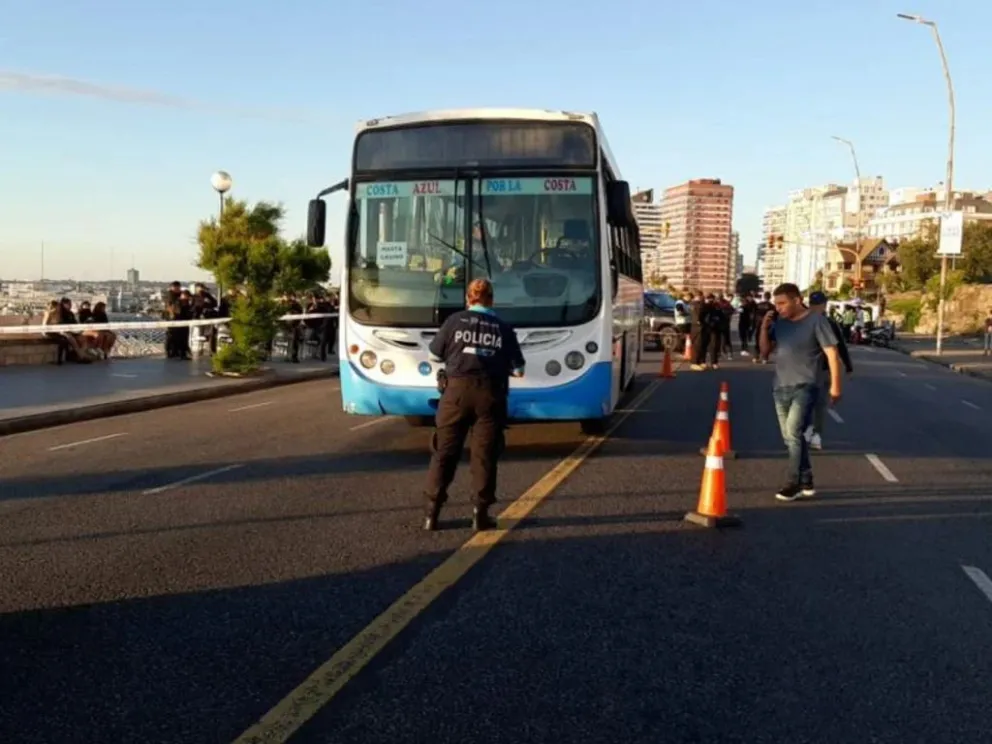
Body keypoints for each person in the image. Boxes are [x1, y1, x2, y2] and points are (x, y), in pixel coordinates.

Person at [423, 278, 525, 532]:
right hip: (489, 396)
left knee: (444, 452)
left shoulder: (454, 322)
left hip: (455, 394)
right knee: (484, 456)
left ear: (468, 299)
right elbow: (519, 370)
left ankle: (431, 514)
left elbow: (434, 355)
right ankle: (480, 515)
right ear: (491, 300)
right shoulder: (503, 328)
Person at [759, 283, 843, 502]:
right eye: (776, 304)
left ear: (797, 300)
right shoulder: (780, 324)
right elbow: (764, 352)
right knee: (789, 437)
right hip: (780, 386)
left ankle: (792, 482)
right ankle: (807, 478)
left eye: (782, 303)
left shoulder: (817, 321)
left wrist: (835, 386)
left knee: (794, 432)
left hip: (806, 385)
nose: (778, 308)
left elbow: (832, 353)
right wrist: (764, 327)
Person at [806, 292, 853, 450]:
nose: (816, 307)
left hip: (821, 370)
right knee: (809, 403)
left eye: (817, 304)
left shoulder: (829, 323)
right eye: (814, 304)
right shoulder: (804, 322)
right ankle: (810, 431)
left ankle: (815, 434)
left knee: (817, 404)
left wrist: (848, 366)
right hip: (806, 369)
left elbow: (840, 347)